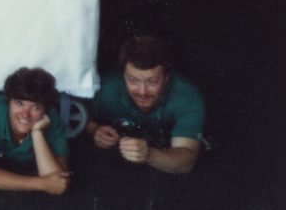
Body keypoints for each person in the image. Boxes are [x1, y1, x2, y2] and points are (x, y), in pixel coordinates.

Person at [85, 35, 205, 174]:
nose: (142, 92)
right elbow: (73, 115)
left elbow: (186, 162)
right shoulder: (105, 87)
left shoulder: (187, 97)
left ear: (167, 78)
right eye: (133, 80)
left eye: (152, 82)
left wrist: (149, 154)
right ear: (123, 75)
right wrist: (93, 129)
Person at [0, 67, 70, 194]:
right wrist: (42, 184)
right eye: (19, 103)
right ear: (8, 102)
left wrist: (37, 133)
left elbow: (58, 182)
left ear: (45, 110)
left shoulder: (53, 121)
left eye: (35, 107)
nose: (25, 114)